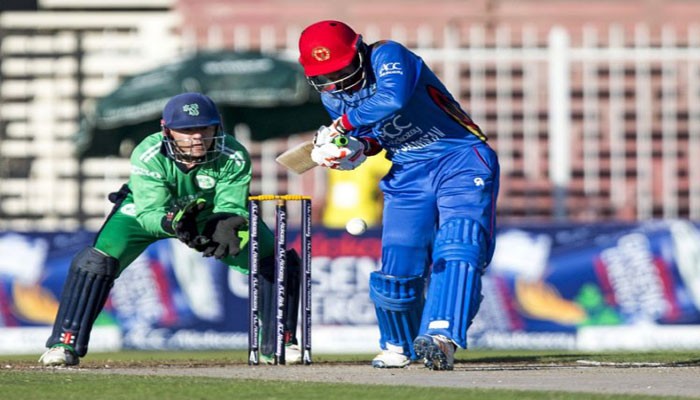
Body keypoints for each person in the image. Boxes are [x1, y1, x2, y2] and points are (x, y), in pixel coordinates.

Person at [39, 92, 301, 366]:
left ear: (217, 127)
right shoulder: (148, 153)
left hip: (208, 213)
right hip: (148, 211)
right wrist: (173, 222)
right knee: (96, 262)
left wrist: (226, 224)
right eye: (186, 130)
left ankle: (279, 343)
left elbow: (232, 205)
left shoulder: (233, 155)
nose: (197, 137)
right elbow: (149, 212)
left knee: (275, 261)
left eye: (205, 128)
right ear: (167, 130)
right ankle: (64, 344)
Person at [298, 20, 500, 370]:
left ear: (358, 51)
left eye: (343, 71)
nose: (337, 83)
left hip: (459, 157)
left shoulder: (388, 55)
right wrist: (352, 149)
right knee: (399, 260)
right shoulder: (332, 97)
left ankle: (441, 336)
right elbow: (375, 136)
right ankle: (399, 344)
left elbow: (392, 98)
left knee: (459, 243)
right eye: (326, 77)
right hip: (407, 169)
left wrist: (341, 126)